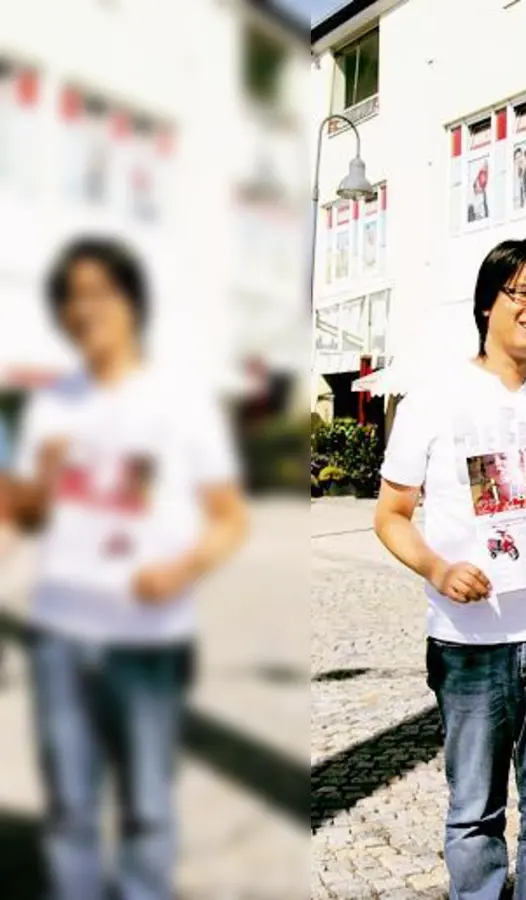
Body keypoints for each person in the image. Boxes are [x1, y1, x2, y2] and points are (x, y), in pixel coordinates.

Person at [11, 237, 249, 900]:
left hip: (148, 638)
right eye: (72, 298)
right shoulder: (53, 403)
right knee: (70, 811)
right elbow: (27, 514)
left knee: (147, 811)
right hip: (60, 632)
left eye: (99, 294)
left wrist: (181, 569)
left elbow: (230, 517)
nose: (85, 310)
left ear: (131, 303)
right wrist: (36, 489)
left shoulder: (180, 401)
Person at [373, 238, 526, 900]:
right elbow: (391, 513)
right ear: (488, 302)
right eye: (523, 293)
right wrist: (438, 568)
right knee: (474, 813)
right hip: (469, 638)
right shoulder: (433, 398)